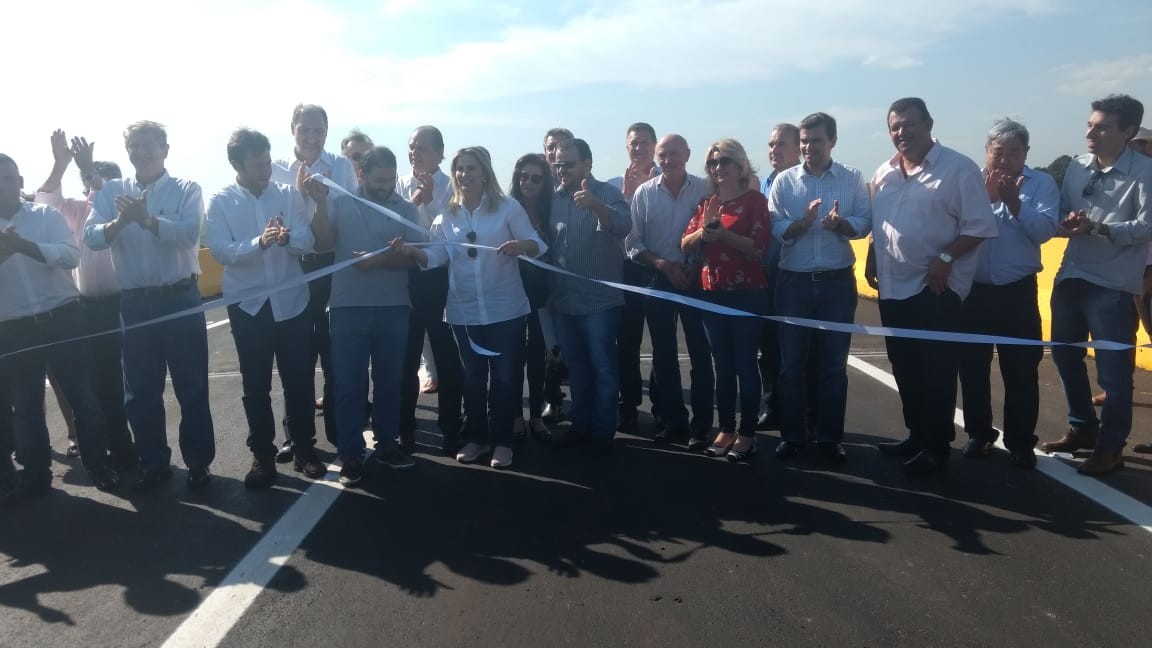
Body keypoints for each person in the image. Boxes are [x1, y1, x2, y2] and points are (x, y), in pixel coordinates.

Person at [866, 98, 999, 476]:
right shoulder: (884, 173)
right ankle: (917, 435)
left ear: (928, 124)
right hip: (893, 287)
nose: (901, 133)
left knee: (936, 370)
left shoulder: (958, 169)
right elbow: (881, 225)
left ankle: (937, 447)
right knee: (904, 367)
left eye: (909, 124)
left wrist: (945, 259)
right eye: (894, 126)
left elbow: (979, 227)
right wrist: (873, 255)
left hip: (936, 288)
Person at [84, 120, 216, 491]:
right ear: (128, 152)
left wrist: (146, 221)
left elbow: (189, 233)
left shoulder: (186, 188)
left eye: (150, 145)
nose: (142, 151)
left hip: (180, 298)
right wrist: (119, 223)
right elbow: (92, 237)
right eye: (135, 145)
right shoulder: (112, 191)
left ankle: (198, 462)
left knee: (191, 387)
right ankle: (154, 461)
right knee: (141, 391)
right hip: (136, 304)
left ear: (165, 150)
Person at [399, 147, 546, 469]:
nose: (465, 174)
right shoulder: (446, 216)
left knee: (506, 379)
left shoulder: (508, 208)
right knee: (474, 380)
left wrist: (522, 246)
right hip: (464, 313)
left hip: (505, 310)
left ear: (485, 173)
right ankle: (477, 438)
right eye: (460, 169)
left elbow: (537, 245)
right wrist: (413, 252)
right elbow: (437, 257)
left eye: (471, 168)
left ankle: (503, 441)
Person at [1040, 94, 1152, 475]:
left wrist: (1100, 228)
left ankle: (1111, 446)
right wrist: (1064, 223)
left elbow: (1147, 226)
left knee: (1113, 373)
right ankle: (1083, 428)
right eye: (1090, 124)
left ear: (1128, 132)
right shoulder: (1076, 167)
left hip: (1113, 284)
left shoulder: (1145, 172)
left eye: (1102, 126)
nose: (1091, 132)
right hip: (1071, 276)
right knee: (1065, 356)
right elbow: (1060, 212)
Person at [205, 128, 324, 489]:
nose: (266, 168)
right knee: (255, 385)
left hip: (292, 304)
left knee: (299, 381)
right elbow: (222, 251)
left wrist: (286, 238)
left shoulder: (288, 195)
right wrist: (260, 242)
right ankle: (262, 456)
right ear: (236, 164)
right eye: (257, 163)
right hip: (250, 307)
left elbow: (308, 239)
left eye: (268, 161)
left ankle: (304, 449)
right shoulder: (222, 201)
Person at [0, 153, 120, 502]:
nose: (2, 185)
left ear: (21, 181)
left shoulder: (45, 215)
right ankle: (36, 477)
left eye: (8, 178)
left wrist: (25, 247)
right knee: (26, 407)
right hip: (14, 329)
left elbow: (71, 256)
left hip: (63, 318)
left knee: (84, 397)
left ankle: (99, 465)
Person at [310, 146, 420, 486]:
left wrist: (382, 259)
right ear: (361, 175)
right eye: (379, 180)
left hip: (394, 307)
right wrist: (320, 203)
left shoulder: (407, 209)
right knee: (348, 384)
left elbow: (417, 258)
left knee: (390, 381)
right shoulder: (341, 203)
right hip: (347, 307)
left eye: (391, 179)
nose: (387, 186)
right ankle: (351, 453)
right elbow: (323, 243)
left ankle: (387, 444)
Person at [768, 113, 872, 463]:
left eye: (816, 140)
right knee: (791, 366)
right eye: (804, 141)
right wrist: (803, 224)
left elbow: (864, 220)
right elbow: (776, 226)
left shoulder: (852, 178)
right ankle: (793, 436)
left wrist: (842, 224)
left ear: (832, 142)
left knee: (832, 367)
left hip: (836, 283)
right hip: (794, 283)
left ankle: (829, 438)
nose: (808, 147)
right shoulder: (785, 181)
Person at [956, 119, 1059, 469]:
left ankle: (1019, 442)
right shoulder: (969, 183)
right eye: (997, 152)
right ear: (985, 153)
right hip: (974, 291)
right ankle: (979, 433)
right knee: (971, 368)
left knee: (1021, 370)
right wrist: (984, 202)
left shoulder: (1041, 183)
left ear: (1025, 154)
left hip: (1017, 292)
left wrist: (1015, 204)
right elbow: (954, 228)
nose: (1004, 159)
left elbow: (1045, 231)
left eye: (1013, 152)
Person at [33, 130, 136, 470]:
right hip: (89, 309)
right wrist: (61, 164)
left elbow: (106, 196)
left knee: (137, 381)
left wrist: (91, 171)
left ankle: (147, 448)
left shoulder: (126, 205)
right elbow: (44, 200)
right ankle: (119, 447)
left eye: (102, 181)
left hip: (128, 302)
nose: (96, 188)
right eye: (91, 182)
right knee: (103, 382)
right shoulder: (77, 211)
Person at [271, 104, 358, 461]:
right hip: (293, 267)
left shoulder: (340, 167)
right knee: (297, 357)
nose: (311, 136)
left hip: (332, 267)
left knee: (334, 354)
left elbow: (351, 214)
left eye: (318, 130)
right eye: (304, 129)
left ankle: (339, 431)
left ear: (327, 131)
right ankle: (296, 434)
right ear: (292, 129)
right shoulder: (275, 169)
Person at [682, 139, 771, 463]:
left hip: (747, 294)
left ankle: (747, 432)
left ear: (740, 165)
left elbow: (759, 247)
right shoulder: (709, 203)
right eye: (713, 163)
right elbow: (686, 243)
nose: (718, 168)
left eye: (724, 162)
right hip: (712, 294)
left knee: (745, 365)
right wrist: (705, 232)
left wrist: (723, 235)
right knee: (723, 365)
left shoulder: (754, 202)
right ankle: (726, 428)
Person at [627, 134, 713, 450]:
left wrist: (695, 263)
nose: (668, 160)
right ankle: (674, 421)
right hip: (659, 280)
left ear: (687, 155)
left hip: (696, 280)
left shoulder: (705, 190)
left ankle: (701, 426)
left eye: (674, 154)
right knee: (664, 357)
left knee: (701, 356)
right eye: (663, 154)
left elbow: (716, 233)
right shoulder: (644, 194)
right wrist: (663, 264)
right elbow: (633, 243)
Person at [548, 139, 632, 457]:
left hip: (600, 301)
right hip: (565, 301)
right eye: (557, 164)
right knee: (577, 367)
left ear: (587, 164)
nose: (562, 170)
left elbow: (624, 226)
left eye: (568, 164)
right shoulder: (552, 199)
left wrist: (597, 206)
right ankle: (580, 425)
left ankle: (603, 430)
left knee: (603, 367)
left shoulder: (608, 194)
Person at [395, 125, 463, 455]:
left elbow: (450, 233)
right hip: (406, 279)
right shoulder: (399, 184)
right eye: (411, 147)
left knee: (448, 358)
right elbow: (393, 224)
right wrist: (414, 201)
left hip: (441, 280)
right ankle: (405, 428)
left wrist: (433, 200)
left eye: (422, 147)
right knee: (406, 358)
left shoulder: (453, 186)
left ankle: (451, 427)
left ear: (439, 152)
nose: (414, 153)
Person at [607, 122, 659, 434]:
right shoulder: (615, 186)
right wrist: (627, 198)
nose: (638, 148)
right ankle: (627, 406)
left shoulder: (667, 181)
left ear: (653, 146)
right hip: (626, 271)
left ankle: (662, 405)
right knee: (626, 344)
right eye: (633, 143)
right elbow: (616, 232)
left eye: (644, 143)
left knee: (662, 344)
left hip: (657, 269)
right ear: (626, 147)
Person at [508, 153, 558, 441]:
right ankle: (515, 414)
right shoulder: (506, 207)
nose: (528, 182)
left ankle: (537, 414)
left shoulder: (551, 209)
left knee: (539, 356)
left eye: (536, 178)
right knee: (513, 356)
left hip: (542, 293)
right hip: (512, 289)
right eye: (523, 176)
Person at [757, 123, 802, 431]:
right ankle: (773, 407)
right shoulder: (761, 184)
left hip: (794, 278)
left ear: (799, 147)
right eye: (772, 145)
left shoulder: (804, 184)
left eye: (781, 144)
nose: (774, 150)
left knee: (800, 352)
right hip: (764, 278)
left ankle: (806, 416)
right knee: (768, 349)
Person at [539, 127, 576, 423]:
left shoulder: (577, 184)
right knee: (548, 346)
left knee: (577, 344)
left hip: (574, 278)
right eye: (551, 147)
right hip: (542, 280)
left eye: (562, 147)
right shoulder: (536, 184)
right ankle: (553, 400)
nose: (556, 153)